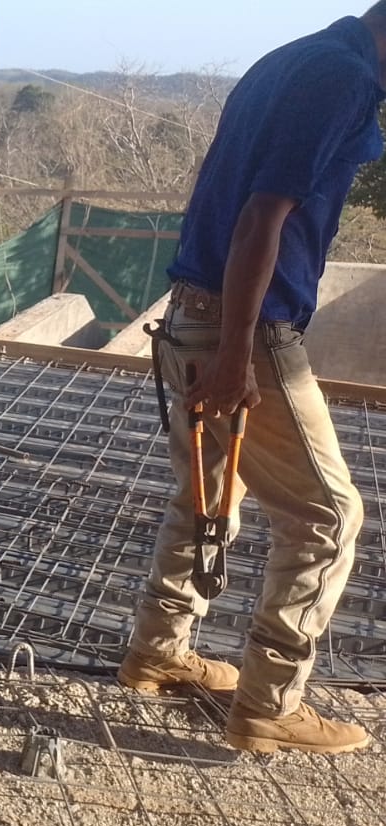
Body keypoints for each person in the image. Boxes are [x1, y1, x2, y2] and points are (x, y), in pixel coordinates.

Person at [120, 7, 386, 754]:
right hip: (246, 328)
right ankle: (270, 704)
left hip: (188, 315)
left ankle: (157, 651)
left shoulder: (292, 58)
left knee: (209, 494)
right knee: (329, 517)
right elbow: (259, 217)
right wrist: (239, 350)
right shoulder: (345, 79)